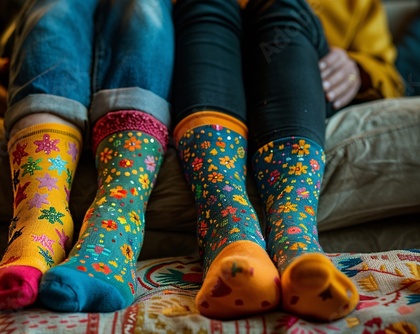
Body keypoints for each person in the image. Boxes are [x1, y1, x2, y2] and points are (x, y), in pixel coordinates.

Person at [171, 0, 404, 322]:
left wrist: (358, 69)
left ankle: (293, 238)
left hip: (298, 77)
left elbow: (390, 76)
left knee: (282, 5)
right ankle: (233, 234)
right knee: (207, 6)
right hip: (212, 68)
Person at [0, 0, 173, 312]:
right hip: (43, 70)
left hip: (132, 82)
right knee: (56, 6)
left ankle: (114, 229)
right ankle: (41, 222)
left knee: (144, 8)